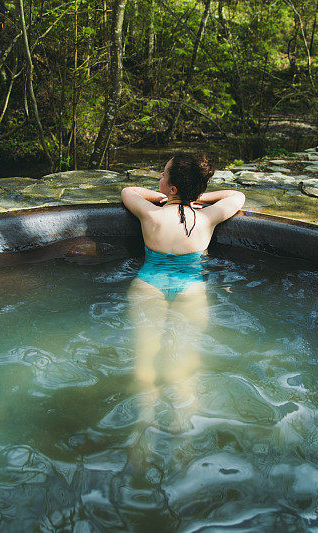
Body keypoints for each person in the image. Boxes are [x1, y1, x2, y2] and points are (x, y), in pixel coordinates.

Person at [121, 153, 244, 466]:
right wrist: (196, 197)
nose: (159, 179)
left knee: (146, 356)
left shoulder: (150, 214)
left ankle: (142, 426)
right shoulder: (206, 218)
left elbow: (128, 192)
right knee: (187, 358)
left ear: (171, 189)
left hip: (149, 283)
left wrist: (162, 198)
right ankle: (183, 434)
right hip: (191, 288)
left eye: (163, 175)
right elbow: (237, 195)